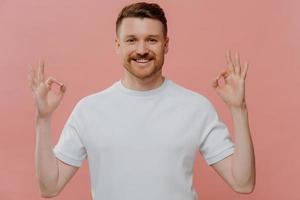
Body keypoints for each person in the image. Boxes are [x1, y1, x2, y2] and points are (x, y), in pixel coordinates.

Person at [27, 2, 255, 200]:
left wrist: (239, 109)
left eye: (152, 40)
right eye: (132, 40)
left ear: (166, 45)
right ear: (118, 45)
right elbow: (50, 186)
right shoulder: (89, 110)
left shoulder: (196, 107)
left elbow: (242, 182)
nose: (142, 50)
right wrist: (43, 119)